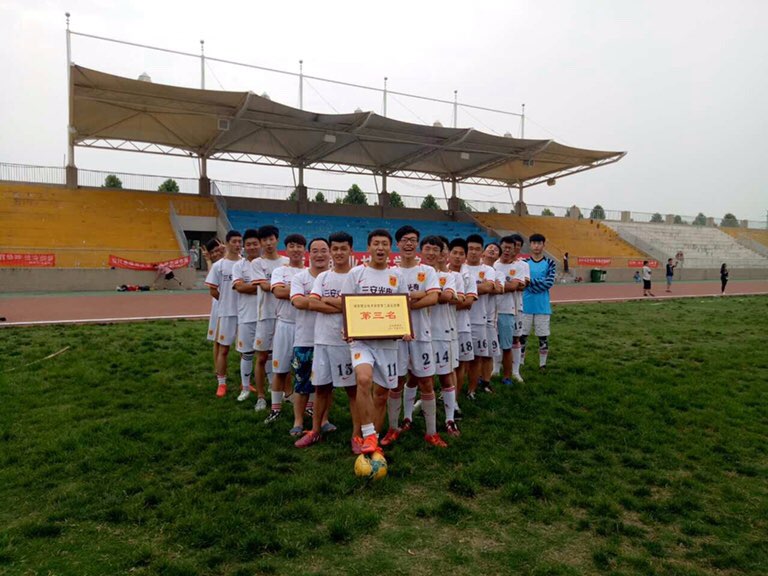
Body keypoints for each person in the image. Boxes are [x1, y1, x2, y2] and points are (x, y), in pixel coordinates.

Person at [343, 229, 409, 455]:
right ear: (368, 247)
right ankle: (368, 433)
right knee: (363, 379)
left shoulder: (397, 276)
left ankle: (374, 440)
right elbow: (346, 305)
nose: (380, 248)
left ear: (390, 248)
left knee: (382, 393)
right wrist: (347, 328)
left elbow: (403, 307)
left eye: (384, 244)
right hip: (361, 341)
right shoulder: (356, 274)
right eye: (376, 244)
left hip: (388, 343)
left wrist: (405, 328)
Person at [295, 232, 357, 449]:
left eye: (343, 248)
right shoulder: (323, 277)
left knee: (352, 390)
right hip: (322, 340)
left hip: (347, 342)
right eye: (335, 248)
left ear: (350, 250)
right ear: (331, 251)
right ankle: (315, 431)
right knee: (321, 388)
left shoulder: (357, 276)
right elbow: (312, 303)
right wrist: (344, 304)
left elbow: (359, 306)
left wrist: (328, 300)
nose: (339, 252)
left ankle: (357, 435)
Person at [382, 226, 443, 448]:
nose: (409, 243)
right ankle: (393, 427)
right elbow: (387, 304)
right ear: (398, 244)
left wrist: (404, 302)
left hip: (421, 335)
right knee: (396, 382)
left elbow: (433, 298)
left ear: (417, 244)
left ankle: (431, 432)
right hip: (396, 336)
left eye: (413, 240)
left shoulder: (427, 271)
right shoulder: (390, 272)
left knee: (426, 382)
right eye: (405, 240)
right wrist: (417, 296)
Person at [289, 237, 333, 435]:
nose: (320, 255)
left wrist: (315, 302)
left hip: (329, 339)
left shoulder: (335, 277)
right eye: (315, 251)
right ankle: (298, 421)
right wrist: (330, 303)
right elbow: (298, 302)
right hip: (305, 338)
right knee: (301, 383)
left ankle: (324, 419)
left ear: (329, 253)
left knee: (326, 385)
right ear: (309, 254)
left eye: (324, 250)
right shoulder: (300, 278)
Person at [264, 234, 307, 424]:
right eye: (292, 246)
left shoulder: (309, 272)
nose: (296, 249)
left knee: (307, 369)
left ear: (304, 250)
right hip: (285, 325)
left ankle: (309, 407)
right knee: (280, 369)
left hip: (306, 326)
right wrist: (301, 290)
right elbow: (278, 292)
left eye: (299, 246)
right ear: (286, 249)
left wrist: (293, 290)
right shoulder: (280, 271)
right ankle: (275, 409)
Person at [251, 225, 288, 412]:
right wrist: (285, 288)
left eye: (271, 239)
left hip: (285, 317)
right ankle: (260, 396)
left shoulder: (286, 262)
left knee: (285, 357)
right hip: (265, 315)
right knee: (262, 357)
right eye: (264, 240)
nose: (268, 243)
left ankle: (287, 394)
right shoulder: (257, 263)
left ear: (277, 239)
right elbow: (265, 287)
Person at [204, 230, 243, 397]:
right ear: (227, 244)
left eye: (240, 241)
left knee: (245, 351)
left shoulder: (246, 264)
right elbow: (213, 290)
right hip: (226, 313)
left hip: (244, 314)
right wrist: (225, 301)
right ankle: (221, 383)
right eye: (234, 241)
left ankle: (245, 383)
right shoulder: (219, 266)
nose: (237, 244)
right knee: (223, 349)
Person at [463, 234, 496, 399]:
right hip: (459, 319)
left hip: (479, 319)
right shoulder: (458, 268)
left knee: (477, 357)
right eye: (470, 249)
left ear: (482, 251)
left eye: (477, 249)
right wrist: (478, 287)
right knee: (460, 359)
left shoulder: (488, 270)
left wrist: (465, 289)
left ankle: (472, 390)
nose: (473, 252)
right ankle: (453, 390)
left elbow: (489, 287)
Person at [232, 229, 262, 402]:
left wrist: (250, 286)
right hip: (246, 316)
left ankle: (273, 388)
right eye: (248, 244)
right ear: (244, 246)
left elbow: (273, 287)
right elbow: (240, 287)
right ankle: (245, 387)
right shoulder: (239, 266)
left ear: (260, 245)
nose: (252, 247)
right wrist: (262, 286)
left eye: (255, 244)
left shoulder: (266, 264)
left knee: (267, 354)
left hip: (266, 315)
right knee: (247, 353)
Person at [448, 237, 477, 414]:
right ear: (448, 254)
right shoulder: (440, 274)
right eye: (455, 253)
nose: (458, 257)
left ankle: (454, 400)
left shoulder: (468, 277)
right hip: (442, 326)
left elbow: (468, 302)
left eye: (461, 254)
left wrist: (444, 302)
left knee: (460, 365)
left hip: (462, 325)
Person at [521, 233, 556, 372]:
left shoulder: (550, 263)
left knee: (543, 337)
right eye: (534, 243)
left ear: (543, 245)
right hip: (525, 305)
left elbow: (548, 283)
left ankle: (542, 365)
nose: (536, 246)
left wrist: (530, 283)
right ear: (530, 245)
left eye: (539, 243)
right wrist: (537, 283)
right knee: (522, 336)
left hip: (542, 306)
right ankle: (520, 363)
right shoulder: (524, 263)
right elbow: (522, 282)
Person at [494, 235, 523, 386]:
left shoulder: (518, 267)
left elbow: (514, 286)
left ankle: (507, 376)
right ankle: (488, 374)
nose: (506, 250)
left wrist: (494, 286)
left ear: (514, 250)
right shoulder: (493, 264)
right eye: (504, 247)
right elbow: (509, 285)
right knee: (489, 345)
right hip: (490, 310)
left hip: (507, 310)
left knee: (507, 345)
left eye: (509, 248)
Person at [509, 234, 530, 382]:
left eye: (518, 245)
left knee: (516, 338)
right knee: (498, 337)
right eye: (512, 245)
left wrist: (511, 285)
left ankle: (515, 371)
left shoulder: (523, 265)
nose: (515, 248)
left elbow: (524, 285)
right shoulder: (497, 263)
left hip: (517, 305)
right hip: (498, 306)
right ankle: (496, 368)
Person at [204, 238, 226, 375]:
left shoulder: (233, 261)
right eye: (212, 252)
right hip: (219, 305)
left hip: (238, 306)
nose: (216, 253)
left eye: (218, 250)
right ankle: (218, 370)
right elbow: (211, 282)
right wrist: (208, 261)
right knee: (218, 340)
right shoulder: (215, 267)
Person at [483, 242, 503, 386]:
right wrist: (488, 286)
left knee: (488, 353)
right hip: (470, 317)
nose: (492, 250)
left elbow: (499, 289)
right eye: (490, 247)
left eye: (496, 250)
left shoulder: (499, 273)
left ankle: (485, 382)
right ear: (483, 252)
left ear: (498, 257)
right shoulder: (470, 269)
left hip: (490, 318)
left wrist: (487, 286)